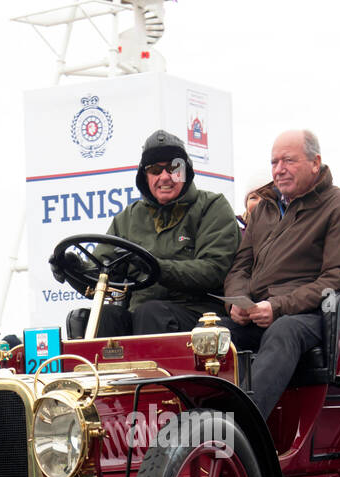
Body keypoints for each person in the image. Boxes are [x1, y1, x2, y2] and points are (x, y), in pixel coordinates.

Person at [222, 129, 340, 418]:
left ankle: (244, 426)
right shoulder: (264, 209)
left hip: (316, 317)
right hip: (260, 312)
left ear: (316, 162)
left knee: (284, 330)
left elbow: (338, 279)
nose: (279, 170)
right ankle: (193, 417)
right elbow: (241, 265)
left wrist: (277, 307)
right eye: (274, 162)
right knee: (213, 335)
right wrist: (235, 302)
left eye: (288, 161)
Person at [57, 129, 239, 338]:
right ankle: (102, 371)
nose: (165, 177)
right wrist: (73, 270)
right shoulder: (128, 218)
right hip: (141, 313)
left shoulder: (211, 207)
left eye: (173, 168)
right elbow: (103, 274)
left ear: (185, 171)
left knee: (151, 312)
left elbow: (213, 269)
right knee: (105, 316)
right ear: (145, 176)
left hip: (197, 314)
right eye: (155, 170)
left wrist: (159, 269)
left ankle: (155, 372)